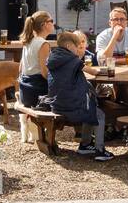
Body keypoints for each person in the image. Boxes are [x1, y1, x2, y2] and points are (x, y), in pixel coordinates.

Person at [45, 31, 112, 161]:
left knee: (90, 107)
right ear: (70, 46)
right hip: (70, 105)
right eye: (77, 47)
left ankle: (85, 144)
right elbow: (92, 71)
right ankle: (100, 150)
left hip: (56, 104)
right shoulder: (72, 59)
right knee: (98, 114)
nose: (79, 50)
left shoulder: (53, 57)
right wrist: (102, 71)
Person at [17, 10, 54, 107]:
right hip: (37, 94)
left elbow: (20, 69)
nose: (53, 23)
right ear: (44, 24)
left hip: (25, 92)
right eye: (52, 21)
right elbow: (45, 73)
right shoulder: (43, 44)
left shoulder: (28, 41)